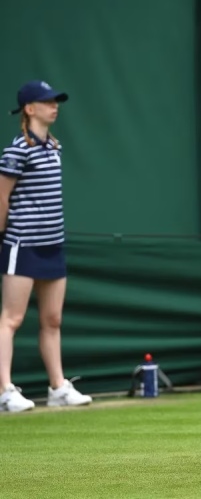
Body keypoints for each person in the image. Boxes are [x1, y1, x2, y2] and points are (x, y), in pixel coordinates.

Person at [0, 81, 92, 412]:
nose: (55, 106)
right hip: (22, 245)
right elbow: (2, 196)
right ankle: (5, 391)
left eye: (56, 101)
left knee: (52, 320)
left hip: (53, 244)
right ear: (29, 108)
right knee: (11, 319)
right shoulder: (15, 151)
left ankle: (57, 388)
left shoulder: (54, 147)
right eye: (47, 102)